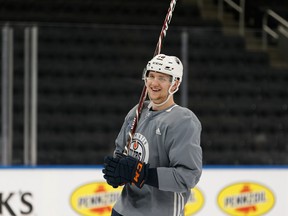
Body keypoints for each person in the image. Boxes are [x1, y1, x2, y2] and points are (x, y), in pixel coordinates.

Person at [102, 54, 202, 216]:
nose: (154, 83)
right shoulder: (137, 112)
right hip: (123, 210)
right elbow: (121, 153)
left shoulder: (183, 120)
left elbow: (188, 176)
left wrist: (144, 174)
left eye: (162, 78)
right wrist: (119, 173)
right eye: (151, 76)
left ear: (175, 84)